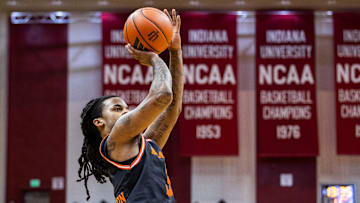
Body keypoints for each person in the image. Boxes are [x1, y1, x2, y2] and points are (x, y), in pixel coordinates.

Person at [77, 9, 183, 203]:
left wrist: (175, 51)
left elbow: (172, 104)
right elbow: (163, 96)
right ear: (99, 122)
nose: (126, 111)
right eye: (117, 108)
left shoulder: (144, 145)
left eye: (126, 107)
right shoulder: (115, 138)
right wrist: (154, 58)